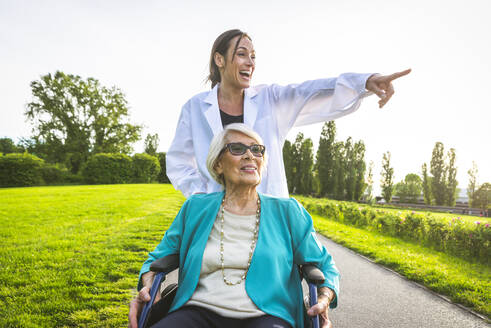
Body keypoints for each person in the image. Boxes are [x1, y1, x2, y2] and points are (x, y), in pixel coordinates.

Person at [129, 123, 339, 328]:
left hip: (268, 315)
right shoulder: (195, 208)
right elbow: (155, 260)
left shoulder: (288, 211)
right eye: (237, 149)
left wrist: (323, 299)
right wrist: (149, 287)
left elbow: (325, 266)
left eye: (257, 150)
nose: (250, 155)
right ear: (218, 164)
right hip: (197, 311)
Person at [166, 29, 411, 198]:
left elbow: (310, 91)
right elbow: (178, 162)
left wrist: (365, 81)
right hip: (216, 214)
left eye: (253, 56)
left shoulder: (269, 99)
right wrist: (202, 194)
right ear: (219, 59)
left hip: (267, 210)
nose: (250, 62)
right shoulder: (195, 108)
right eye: (241, 54)